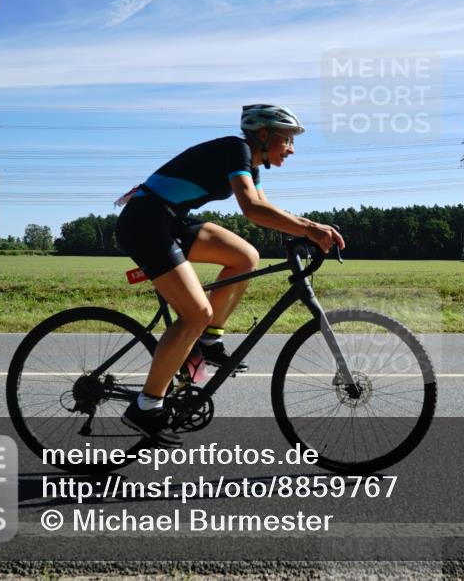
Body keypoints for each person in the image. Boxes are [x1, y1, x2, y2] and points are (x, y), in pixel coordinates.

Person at [114, 104, 345, 445]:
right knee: (195, 313)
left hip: (170, 219)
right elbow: (251, 208)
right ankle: (146, 405)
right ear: (263, 135)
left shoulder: (251, 163)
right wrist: (310, 228)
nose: (292, 149)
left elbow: (267, 209)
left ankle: (208, 340)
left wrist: (301, 232)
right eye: (287, 140)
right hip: (145, 222)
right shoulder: (236, 149)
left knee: (245, 257)